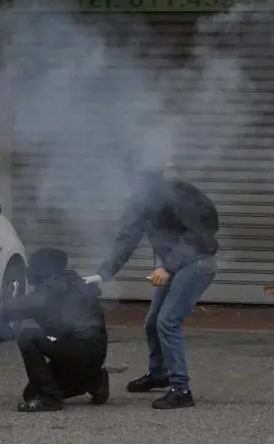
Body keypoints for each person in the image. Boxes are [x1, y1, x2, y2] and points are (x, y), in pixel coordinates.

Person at [84, 164, 218, 410]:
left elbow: (202, 235)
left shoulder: (180, 195)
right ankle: (159, 374)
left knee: (167, 322)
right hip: (175, 264)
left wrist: (168, 267)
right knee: (152, 321)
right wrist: (103, 275)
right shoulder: (141, 202)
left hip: (197, 263)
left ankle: (181, 390)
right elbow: (127, 239)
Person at [0, 247, 109, 413]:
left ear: (43, 270)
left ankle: (50, 399)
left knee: (28, 337)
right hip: (85, 352)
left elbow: (16, 308)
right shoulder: (67, 282)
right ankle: (95, 381)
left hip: (83, 350)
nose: (29, 272)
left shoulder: (54, 290)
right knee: (31, 393)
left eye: (33, 268)